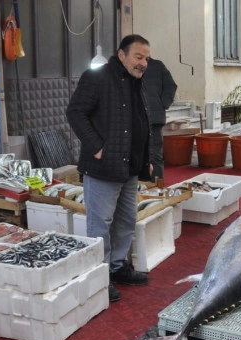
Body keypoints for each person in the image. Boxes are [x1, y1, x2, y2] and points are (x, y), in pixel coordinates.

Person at [66, 34, 152, 303]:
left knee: (126, 219)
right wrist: (96, 147)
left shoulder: (135, 82)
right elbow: (74, 112)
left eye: (147, 58)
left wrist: (146, 156)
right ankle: (99, 275)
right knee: (100, 223)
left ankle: (117, 266)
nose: (143, 63)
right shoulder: (97, 78)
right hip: (103, 166)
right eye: (138, 56)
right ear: (122, 54)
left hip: (129, 166)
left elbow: (139, 122)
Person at [144, 58, 177, 181]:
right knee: (153, 154)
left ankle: (156, 186)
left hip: (154, 117)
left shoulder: (157, 66)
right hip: (143, 117)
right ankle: (153, 185)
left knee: (154, 154)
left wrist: (162, 104)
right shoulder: (157, 65)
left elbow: (171, 86)